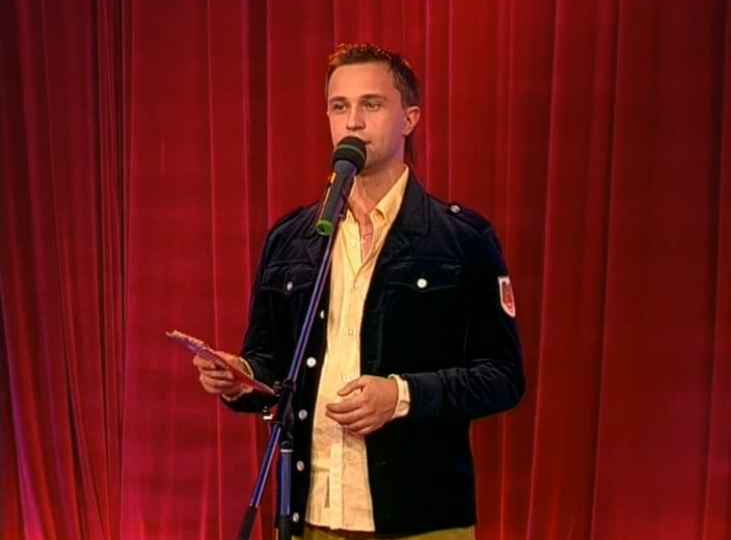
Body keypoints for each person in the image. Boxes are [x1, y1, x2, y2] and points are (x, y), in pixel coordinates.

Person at [193, 43, 525, 540]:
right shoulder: (291, 239)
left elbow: (503, 377)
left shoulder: (462, 240)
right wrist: (241, 377)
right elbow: (269, 360)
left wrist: (401, 395)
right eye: (339, 106)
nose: (353, 122)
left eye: (372, 104)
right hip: (309, 516)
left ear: (409, 118)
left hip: (422, 520)